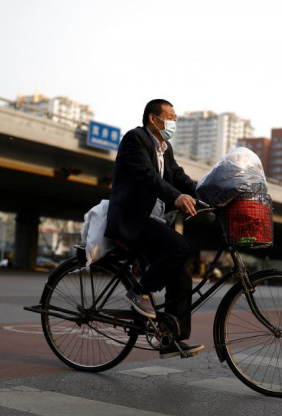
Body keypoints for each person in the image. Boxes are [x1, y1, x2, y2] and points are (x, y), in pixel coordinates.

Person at [105, 98, 204, 359]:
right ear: (153, 118)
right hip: (133, 219)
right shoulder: (135, 139)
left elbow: (180, 177)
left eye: (175, 117)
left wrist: (209, 195)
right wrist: (176, 197)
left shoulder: (164, 147)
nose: (173, 122)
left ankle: (171, 338)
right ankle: (139, 292)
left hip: (153, 220)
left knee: (181, 273)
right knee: (180, 246)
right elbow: (147, 176)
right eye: (169, 116)